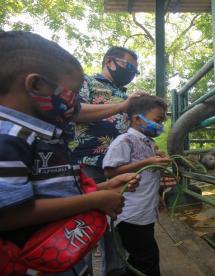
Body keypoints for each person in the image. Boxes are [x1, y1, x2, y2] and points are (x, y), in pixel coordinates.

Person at [0, 31, 140, 275]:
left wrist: (104, 188)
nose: (75, 103)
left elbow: (53, 194)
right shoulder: (10, 138)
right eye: (72, 93)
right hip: (32, 263)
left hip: (61, 256)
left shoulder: (47, 137)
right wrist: (95, 200)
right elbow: (8, 214)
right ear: (36, 85)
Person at [71, 46, 141, 275]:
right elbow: (76, 111)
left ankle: (116, 269)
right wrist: (122, 106)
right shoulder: (86, 82)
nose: (131, 73)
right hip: (89, 162)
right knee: (89, 224)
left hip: (120, 167)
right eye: (129, 67)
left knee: (118, 221)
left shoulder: (124, 93)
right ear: (110, 61)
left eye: (135, 71)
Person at [103, 95, 173, 276]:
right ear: (136, 118)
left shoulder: (150, 143)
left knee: (139, 257)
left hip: (145, 211)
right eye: (157, 120)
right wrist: (148, 161)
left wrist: (158, 195)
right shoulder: (124, 141)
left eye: (162, 121)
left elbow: (150, 175)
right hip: (130, 213)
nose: (160, 125)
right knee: (147, 259)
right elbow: (110, 172)